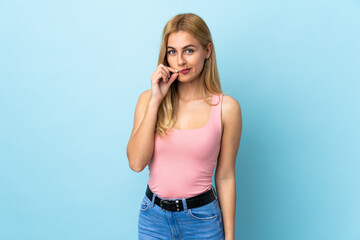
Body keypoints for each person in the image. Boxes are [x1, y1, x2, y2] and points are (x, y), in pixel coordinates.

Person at [126, 13, 242, 240]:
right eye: (172, 52)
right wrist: (155, 101)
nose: (180, 61)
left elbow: (226, 176)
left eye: (189, 50)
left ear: (207, 51)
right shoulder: (147, 100)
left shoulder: (226, 109)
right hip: (153, 220)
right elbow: (136, 163)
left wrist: (230, 238)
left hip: (202, 221)